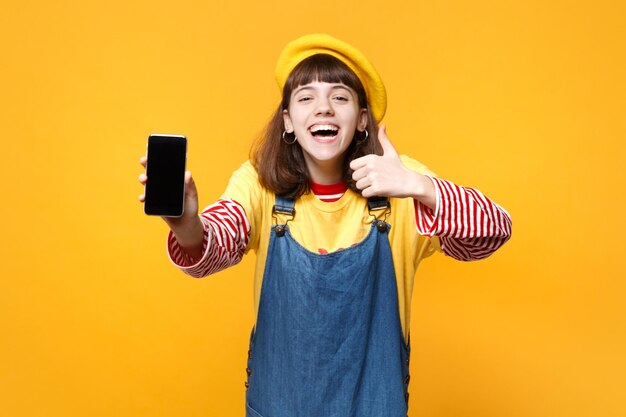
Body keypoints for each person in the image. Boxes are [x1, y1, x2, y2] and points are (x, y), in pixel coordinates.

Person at [138, 33, 512, 417]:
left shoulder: (399, 181)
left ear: (363, 118)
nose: (324, 109)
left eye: (340, 96)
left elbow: (491, 234)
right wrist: (185, 223)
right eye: (306, 97)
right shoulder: (258, 183)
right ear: (288, 120)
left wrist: (420, 187)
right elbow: (214, 247)